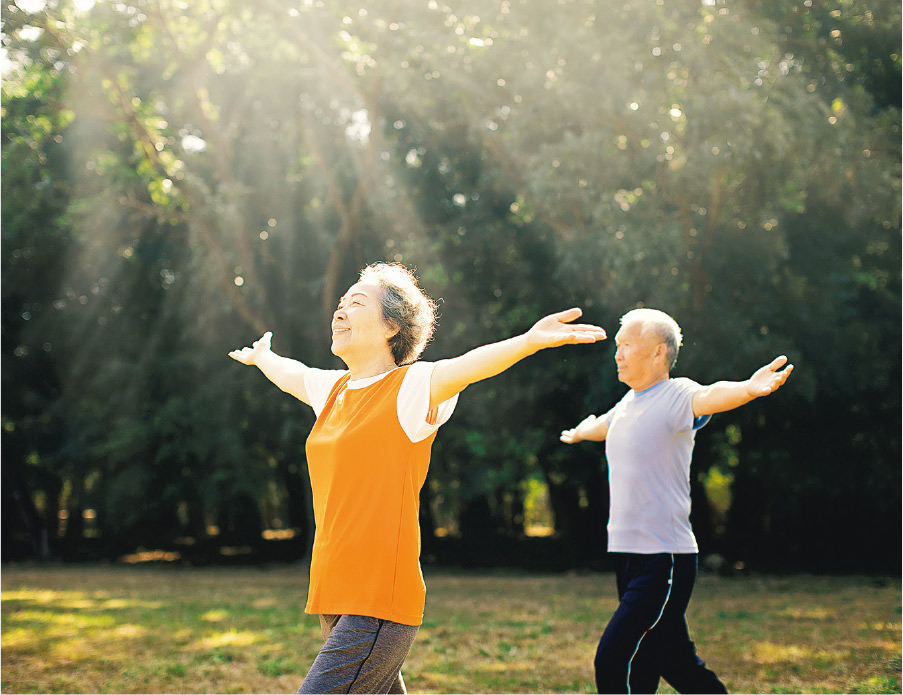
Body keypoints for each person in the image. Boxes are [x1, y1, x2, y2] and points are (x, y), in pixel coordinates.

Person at [229, 262, 606, 694]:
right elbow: (292, 375)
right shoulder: (332, 391)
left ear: (392, 325)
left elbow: (467, 366)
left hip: (376, 602)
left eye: (355, 302)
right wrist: (264, 358)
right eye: (339, 303)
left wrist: (528, 342)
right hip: (335, 592)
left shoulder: (408, 389)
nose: (339, 311)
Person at [560, 307, 793, 694]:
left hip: (663, 559)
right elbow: (604, 425)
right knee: (677, 663)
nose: (617, 354)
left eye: (626, 345)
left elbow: (710, 395)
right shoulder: (627, 405)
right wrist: (583, 432)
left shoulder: (675, 395)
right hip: (630, 556)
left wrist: (748, 389)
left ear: (656, 352)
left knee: (616, 659)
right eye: (616, 346)